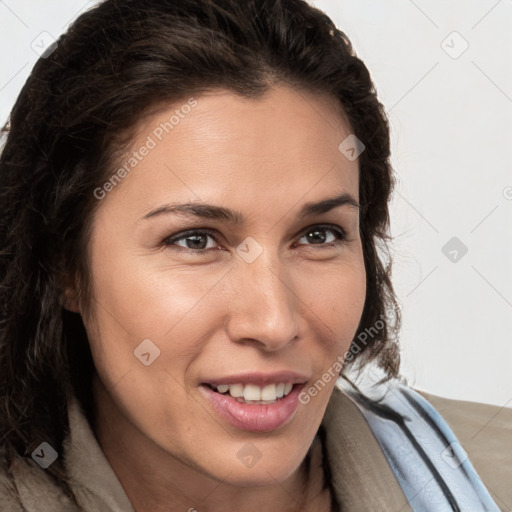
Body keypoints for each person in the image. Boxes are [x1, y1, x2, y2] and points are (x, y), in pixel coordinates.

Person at [0, 0, 509, 511]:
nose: (273, 322)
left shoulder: (493, 475)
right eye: (195, 239)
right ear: (64, 263)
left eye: (318, 235)